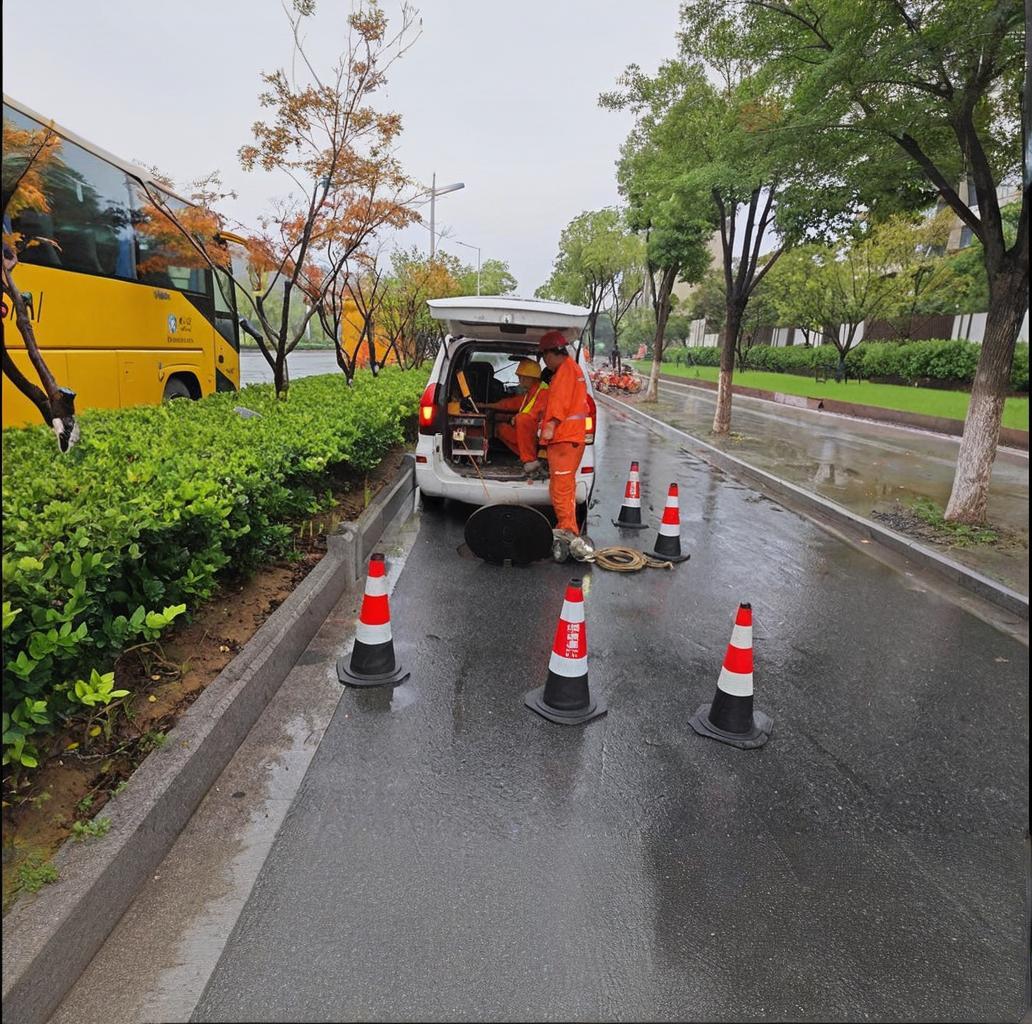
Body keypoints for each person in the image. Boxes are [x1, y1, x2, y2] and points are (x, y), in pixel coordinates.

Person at [538, 330, 590, 549]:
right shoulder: (573, 369)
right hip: (570, 439)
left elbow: (559, 404)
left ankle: (568, 532)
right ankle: (566, 529)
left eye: (544, 356)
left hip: (564, 439)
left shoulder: (564, 373)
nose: (544, 362)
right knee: (564, 486)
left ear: (551, 354)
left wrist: (548, 428)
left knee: (561, 488)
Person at [482, 359, 548, 476]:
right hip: (531, 433)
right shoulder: (531, 391)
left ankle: (530, 460)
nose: (519, 381)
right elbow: (511, 404)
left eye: (521, 377)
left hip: (540, 434)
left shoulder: (543, 392)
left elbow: (534, 414)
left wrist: (516, 419)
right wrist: (486, 406)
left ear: (530, 378)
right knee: (501, 428)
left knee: (522, 419)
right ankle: (526, 458)